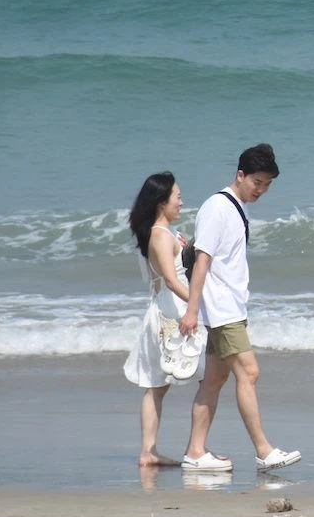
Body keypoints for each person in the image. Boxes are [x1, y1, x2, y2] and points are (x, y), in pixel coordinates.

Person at [178, 143, 302, 473]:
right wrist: (192, 310)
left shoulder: (236, 208)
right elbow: (202, 260)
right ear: (240, 175)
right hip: (221, 312)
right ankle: (264, 451)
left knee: (214, 381)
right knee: (249, 372)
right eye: (257, 182)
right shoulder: (218, 207)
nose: (261, 190)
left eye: (267, 185)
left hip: (230, 308)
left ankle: (195, 452)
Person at [124, 170, 195, 468]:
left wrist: (187, 248)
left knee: (157, 385)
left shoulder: (159, 234)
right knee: (166, 382)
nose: (181, 201)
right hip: (171, 313)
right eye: (177, 197)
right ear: (161, 201)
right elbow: (170, 278)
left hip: (162, 311)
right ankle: (191, 449)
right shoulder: (161, 235)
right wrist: (198, 304)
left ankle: (149, 452)